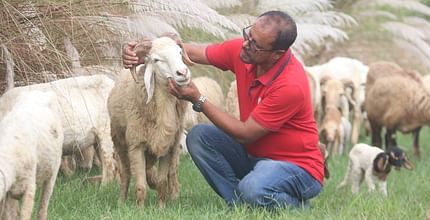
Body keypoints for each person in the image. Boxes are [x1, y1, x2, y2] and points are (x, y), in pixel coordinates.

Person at [122, 11, 324, 209]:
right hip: (254, 157)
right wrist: (143, 54)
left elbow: (245, 134)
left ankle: (298, 207)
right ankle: (239, 204)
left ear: (277, 54)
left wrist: (197, 98)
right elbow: (187, 51)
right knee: (199, 136)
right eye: (248, 34)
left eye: (255, 44)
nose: (245, 44)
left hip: (296, 167)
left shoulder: (291, 85)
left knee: (253, 189)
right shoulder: (246, 53)